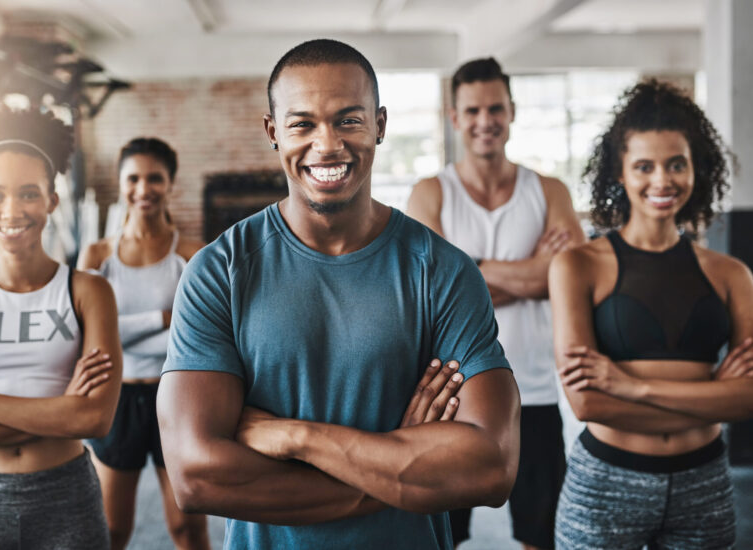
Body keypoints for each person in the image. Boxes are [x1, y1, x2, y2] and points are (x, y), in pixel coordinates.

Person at [156, 38, 520, 550]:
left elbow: (491, 467)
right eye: (302, 123)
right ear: (272, 132)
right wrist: (398, 469)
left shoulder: (442, 272)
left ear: (380, 125)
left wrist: (297, 437)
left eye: (349, 120)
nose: (327, 145)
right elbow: (197, 477)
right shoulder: (219, 272)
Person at [550, 79, 753, 549]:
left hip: (703, 485)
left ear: (695, 170)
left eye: (676, 165)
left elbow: (747, 400)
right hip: (605, 485)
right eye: (644, 166)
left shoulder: (731, 274)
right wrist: (714, 392)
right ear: (620, 173)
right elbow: (587, 403)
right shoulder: (578, 265)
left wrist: (631, 386)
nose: (662, 181)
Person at [407, 57, 584, 550]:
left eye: (495, 108)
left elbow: (570, 279)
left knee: (541, 535)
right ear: (454, 117)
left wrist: (470, 273)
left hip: (536, 393)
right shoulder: (429, 194)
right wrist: (535, 269)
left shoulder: (549, 190)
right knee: (441, 535)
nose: (486, 120)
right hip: (451, 393)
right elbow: (432, 296)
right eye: (473, 110)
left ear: (512, 111)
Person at [0, 106, 122, 549]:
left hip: (66, 494)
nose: (11, 210)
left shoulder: (89, 292)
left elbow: (95, 418)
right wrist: (61, 412)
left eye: (29, 193)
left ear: (52, 200)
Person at [78, 137, 209, 550]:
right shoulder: (97, 256)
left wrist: (120, 327)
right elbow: (92, 338)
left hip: (176, 399)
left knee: (186, 528)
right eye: (133, 178)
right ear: (121, 183)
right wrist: (165, 319)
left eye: (155, 178)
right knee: (112, 530)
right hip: (116, 401)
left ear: (170, 184)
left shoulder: (191, 253)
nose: (143, 188)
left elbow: (198, 339)